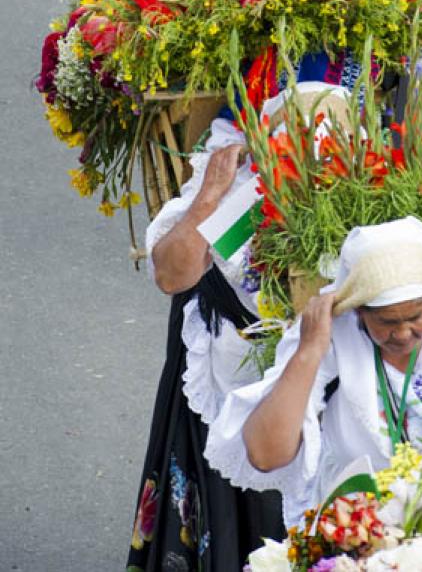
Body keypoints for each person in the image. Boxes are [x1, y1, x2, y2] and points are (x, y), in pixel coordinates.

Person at [126, 83, 355, 571]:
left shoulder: (365, 203)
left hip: (312, 407)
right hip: (229, 391)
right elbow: (172, 273)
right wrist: (209, 196)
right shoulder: (241, 194)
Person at [205, 217, 422, 527]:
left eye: (416, 317)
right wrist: (308, 353)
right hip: (364, 520)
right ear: (358, 311)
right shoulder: (331, 336)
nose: (403, 333)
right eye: (387, 322)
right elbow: (266, 454)